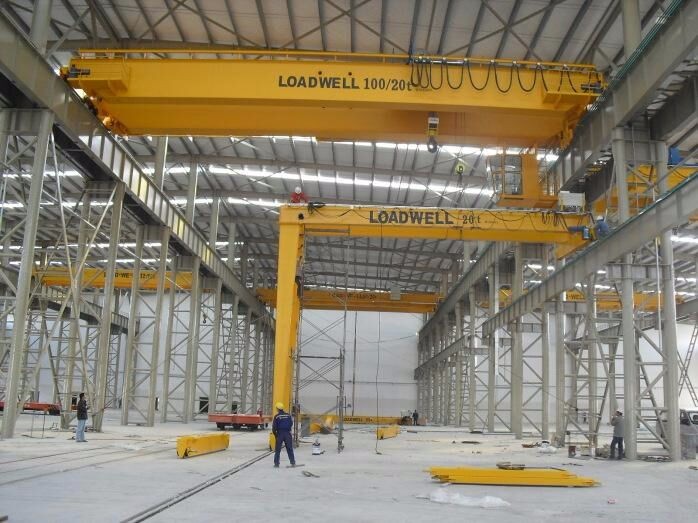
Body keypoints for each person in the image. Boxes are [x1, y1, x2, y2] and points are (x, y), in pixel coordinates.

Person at [272, 402, 295, 468]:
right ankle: (293, 462)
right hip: (287, 433)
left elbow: (274, 427)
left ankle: (276, 464)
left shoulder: (277, 416)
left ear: (277, 408)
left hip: (280, 433)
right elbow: (291, 423)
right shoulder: (288, 415)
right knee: (289, 448)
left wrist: (276, 435)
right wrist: (288, 429)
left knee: (278, 450)